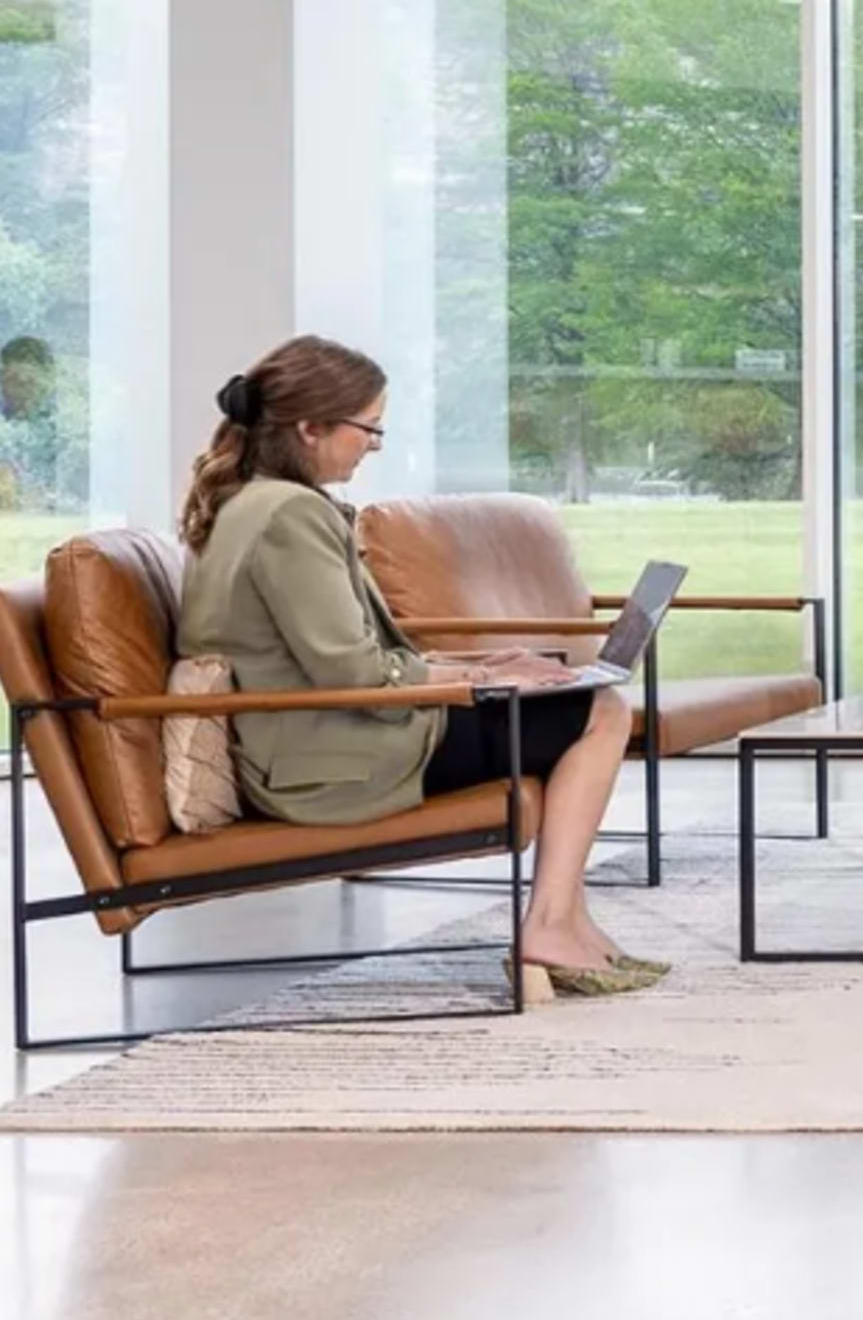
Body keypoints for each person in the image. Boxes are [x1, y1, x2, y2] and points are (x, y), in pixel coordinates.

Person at [175, 334, 660, 1002]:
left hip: (317, 740)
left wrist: (480, 663)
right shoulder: (290, 514)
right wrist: (483, 684)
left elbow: (345, 654)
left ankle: (566, 919)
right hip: (332, 760)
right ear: (311, 427)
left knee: (574, 709)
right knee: (601, 711)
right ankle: (550, 925)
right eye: (367, 428)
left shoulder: (255, 503)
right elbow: (351, 671)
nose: (372, 444)